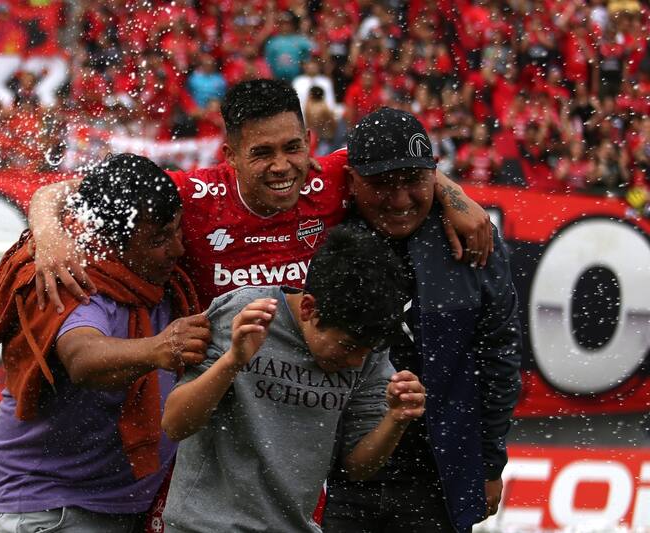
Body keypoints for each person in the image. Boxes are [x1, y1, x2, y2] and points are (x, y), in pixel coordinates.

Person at [28, 79, 493, 315]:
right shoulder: (192, 193)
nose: (282, 166)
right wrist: (49, 237)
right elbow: (56, 191)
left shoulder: (331, 176)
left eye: (293, 148)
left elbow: (400, 165)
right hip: (214, 398)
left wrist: (454, 197)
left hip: (306, 396)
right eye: (262, 153)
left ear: (310, 142)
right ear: (229, 154)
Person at [0, 154, 210, 532]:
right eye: (159, 239)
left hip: (128, 505)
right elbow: (83, 357)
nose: (178, 248)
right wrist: (161, 347)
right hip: (58, 508)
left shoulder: (146, 261)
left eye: (177, 230)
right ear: (111, 241)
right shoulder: (69, 273)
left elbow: (58, 191)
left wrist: (45, 219)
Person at [322, 107, 523, 533]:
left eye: (412, 182)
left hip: (440, 476)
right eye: (380, 185)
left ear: (433, 173)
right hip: (337, 476)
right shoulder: (324, 229)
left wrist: (489, 464)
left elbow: (499, 359)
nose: (399, 201)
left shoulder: (475, 241)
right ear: (352, 180)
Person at [161, 226, 426, 532]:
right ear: (309, 308)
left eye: (365, 352)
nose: (356, 362)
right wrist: (233, 361)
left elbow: (357, 467)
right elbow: (175, 424)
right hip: (204, 527)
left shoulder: (368, 343)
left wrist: (396, 419)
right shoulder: (246, 315)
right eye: (348, 347)